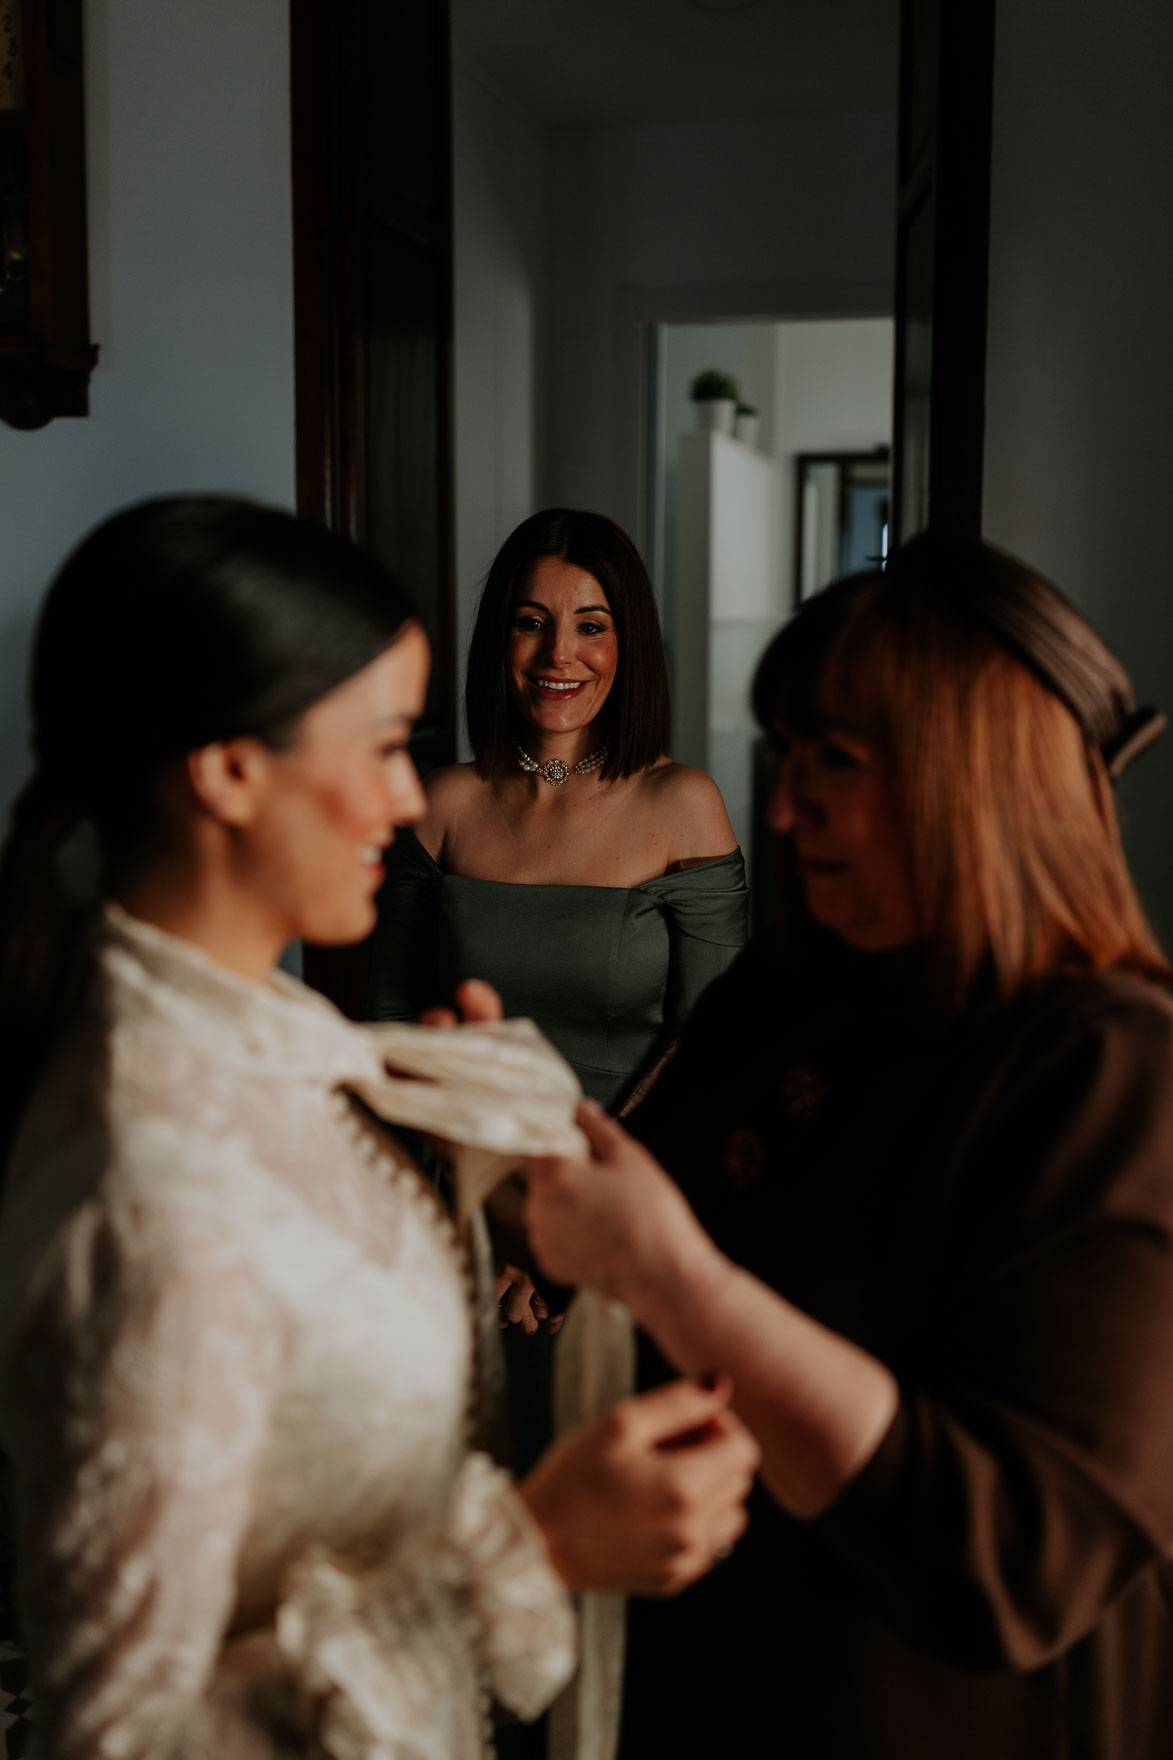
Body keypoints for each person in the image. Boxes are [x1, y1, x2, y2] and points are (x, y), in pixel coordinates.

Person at [0, 496, 759, 1760]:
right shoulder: (152, 1192)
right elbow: (121, 1735)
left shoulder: (283, 1051)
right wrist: (540, 1544)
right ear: (232, 767)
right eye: (382, 743)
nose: (412, 792)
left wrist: (481, 1154)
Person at [521, 531, 1173, 1760]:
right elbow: (633, 1197)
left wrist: (675, 1278)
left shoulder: (1109, 1066)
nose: (781, 805)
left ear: (972, 776)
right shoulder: (796, 980)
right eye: (784, 755)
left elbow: (1017, 1556)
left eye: (837, 762)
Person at [368, 507, 748, 1344]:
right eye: (530, 624)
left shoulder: (680, 807)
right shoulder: (441, 805)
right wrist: (485, 1217)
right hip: (457, 1202)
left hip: (634, 1203)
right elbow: (393, 1030)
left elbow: (714, 1048)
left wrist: (563, 1233)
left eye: (591, 626)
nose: (558, 656)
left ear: (629, 645)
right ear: (497, 641)